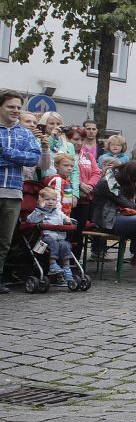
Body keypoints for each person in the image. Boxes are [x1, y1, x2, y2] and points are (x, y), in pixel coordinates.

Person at [0, 90, 42, 294]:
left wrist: (6, 153)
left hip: (13, 193)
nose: (16, 110)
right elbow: (24, 157)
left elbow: (34, 158)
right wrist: (17, 158)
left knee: (4, 241)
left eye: (18, 107)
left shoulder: (25, 133)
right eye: (11, 106)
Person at [26, 187, 76, 285]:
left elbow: (65, 218)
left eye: (53, 199)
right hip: (45, 239)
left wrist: (68, 220)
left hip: (59, 238)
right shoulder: (40, 212)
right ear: (41, 200)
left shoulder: (58, 212)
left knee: (66, 245)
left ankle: (66, 268)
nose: (50, 202)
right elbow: (30, 220)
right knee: (54, 244)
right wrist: (40, 209)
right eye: (47, 199)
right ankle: (53, 264)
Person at [65, 127, 101, 257]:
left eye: (82, 139)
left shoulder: (88, 156)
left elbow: (96, 173)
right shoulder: (65, 155)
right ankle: (63, 260)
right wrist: (80, 185)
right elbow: (67, 173)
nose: (79, 142)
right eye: (76, 139)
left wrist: (90, 185)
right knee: (67, 232)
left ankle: (75, 262)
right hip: (68, 199)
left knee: (79, 232)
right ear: (68, 139)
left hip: (85, 200)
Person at [37, 111, 80, 199]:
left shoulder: (68, 145)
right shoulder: (37, 141)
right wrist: (52, 137)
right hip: (44, 186)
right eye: (51, 123)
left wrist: (75, 193)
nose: (55, 126)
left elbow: (74, 170)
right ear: (44, 125)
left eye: (58, 124)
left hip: (65, 187)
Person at [19, 112, 51, 182]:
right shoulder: (11, 137)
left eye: (35, 123)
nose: (32, 125)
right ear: (18, 123)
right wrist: (29, 137)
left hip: (27, 183)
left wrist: (45, 149)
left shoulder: (36, 142)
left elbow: (44, 167)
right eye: (27, 121)